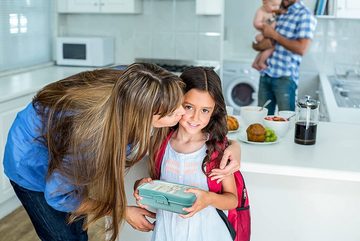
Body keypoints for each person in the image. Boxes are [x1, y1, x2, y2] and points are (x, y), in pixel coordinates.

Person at [3, 63, 241, 241]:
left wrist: (233, 146)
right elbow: (59, 196)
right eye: (174, 112)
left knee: (78, 226)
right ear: (146, 116)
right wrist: (121, 211)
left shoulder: (140, 83)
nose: (183, 114)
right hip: (30, 160)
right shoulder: (91, 139)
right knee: (63, 236)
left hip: (66, 146)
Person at [134, 67, 245, 241]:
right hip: (166, 232)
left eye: (205, 110)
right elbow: (157, 184)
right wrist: (141, 187)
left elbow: (232, 200)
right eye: (189, 107)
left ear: (214, 110)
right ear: (177, 101)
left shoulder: (215, 149)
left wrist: (208, 199)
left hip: (207, 233)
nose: (195, 118)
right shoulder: (159, 142)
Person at [257, 0, 317, 115]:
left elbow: (301, 48)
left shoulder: (305, 15)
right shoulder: (277, 10)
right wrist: (256, 43)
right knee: (262, 119)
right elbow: (264, 39)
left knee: (287, 121)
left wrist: (274, 35)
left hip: (285, 78)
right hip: (266, 73)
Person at [252, 0, 284, 71]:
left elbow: (279, 13)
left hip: (266, 35)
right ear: (264, 3)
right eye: (273, 5)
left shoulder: (273, 11)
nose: (276, 7)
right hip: (260, 34)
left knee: (265, 49)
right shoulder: (261, 11)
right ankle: (260, 62)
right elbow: (256, 23)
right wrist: (265, 25)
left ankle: (255, 63)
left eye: (278, 5)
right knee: (271, 48)